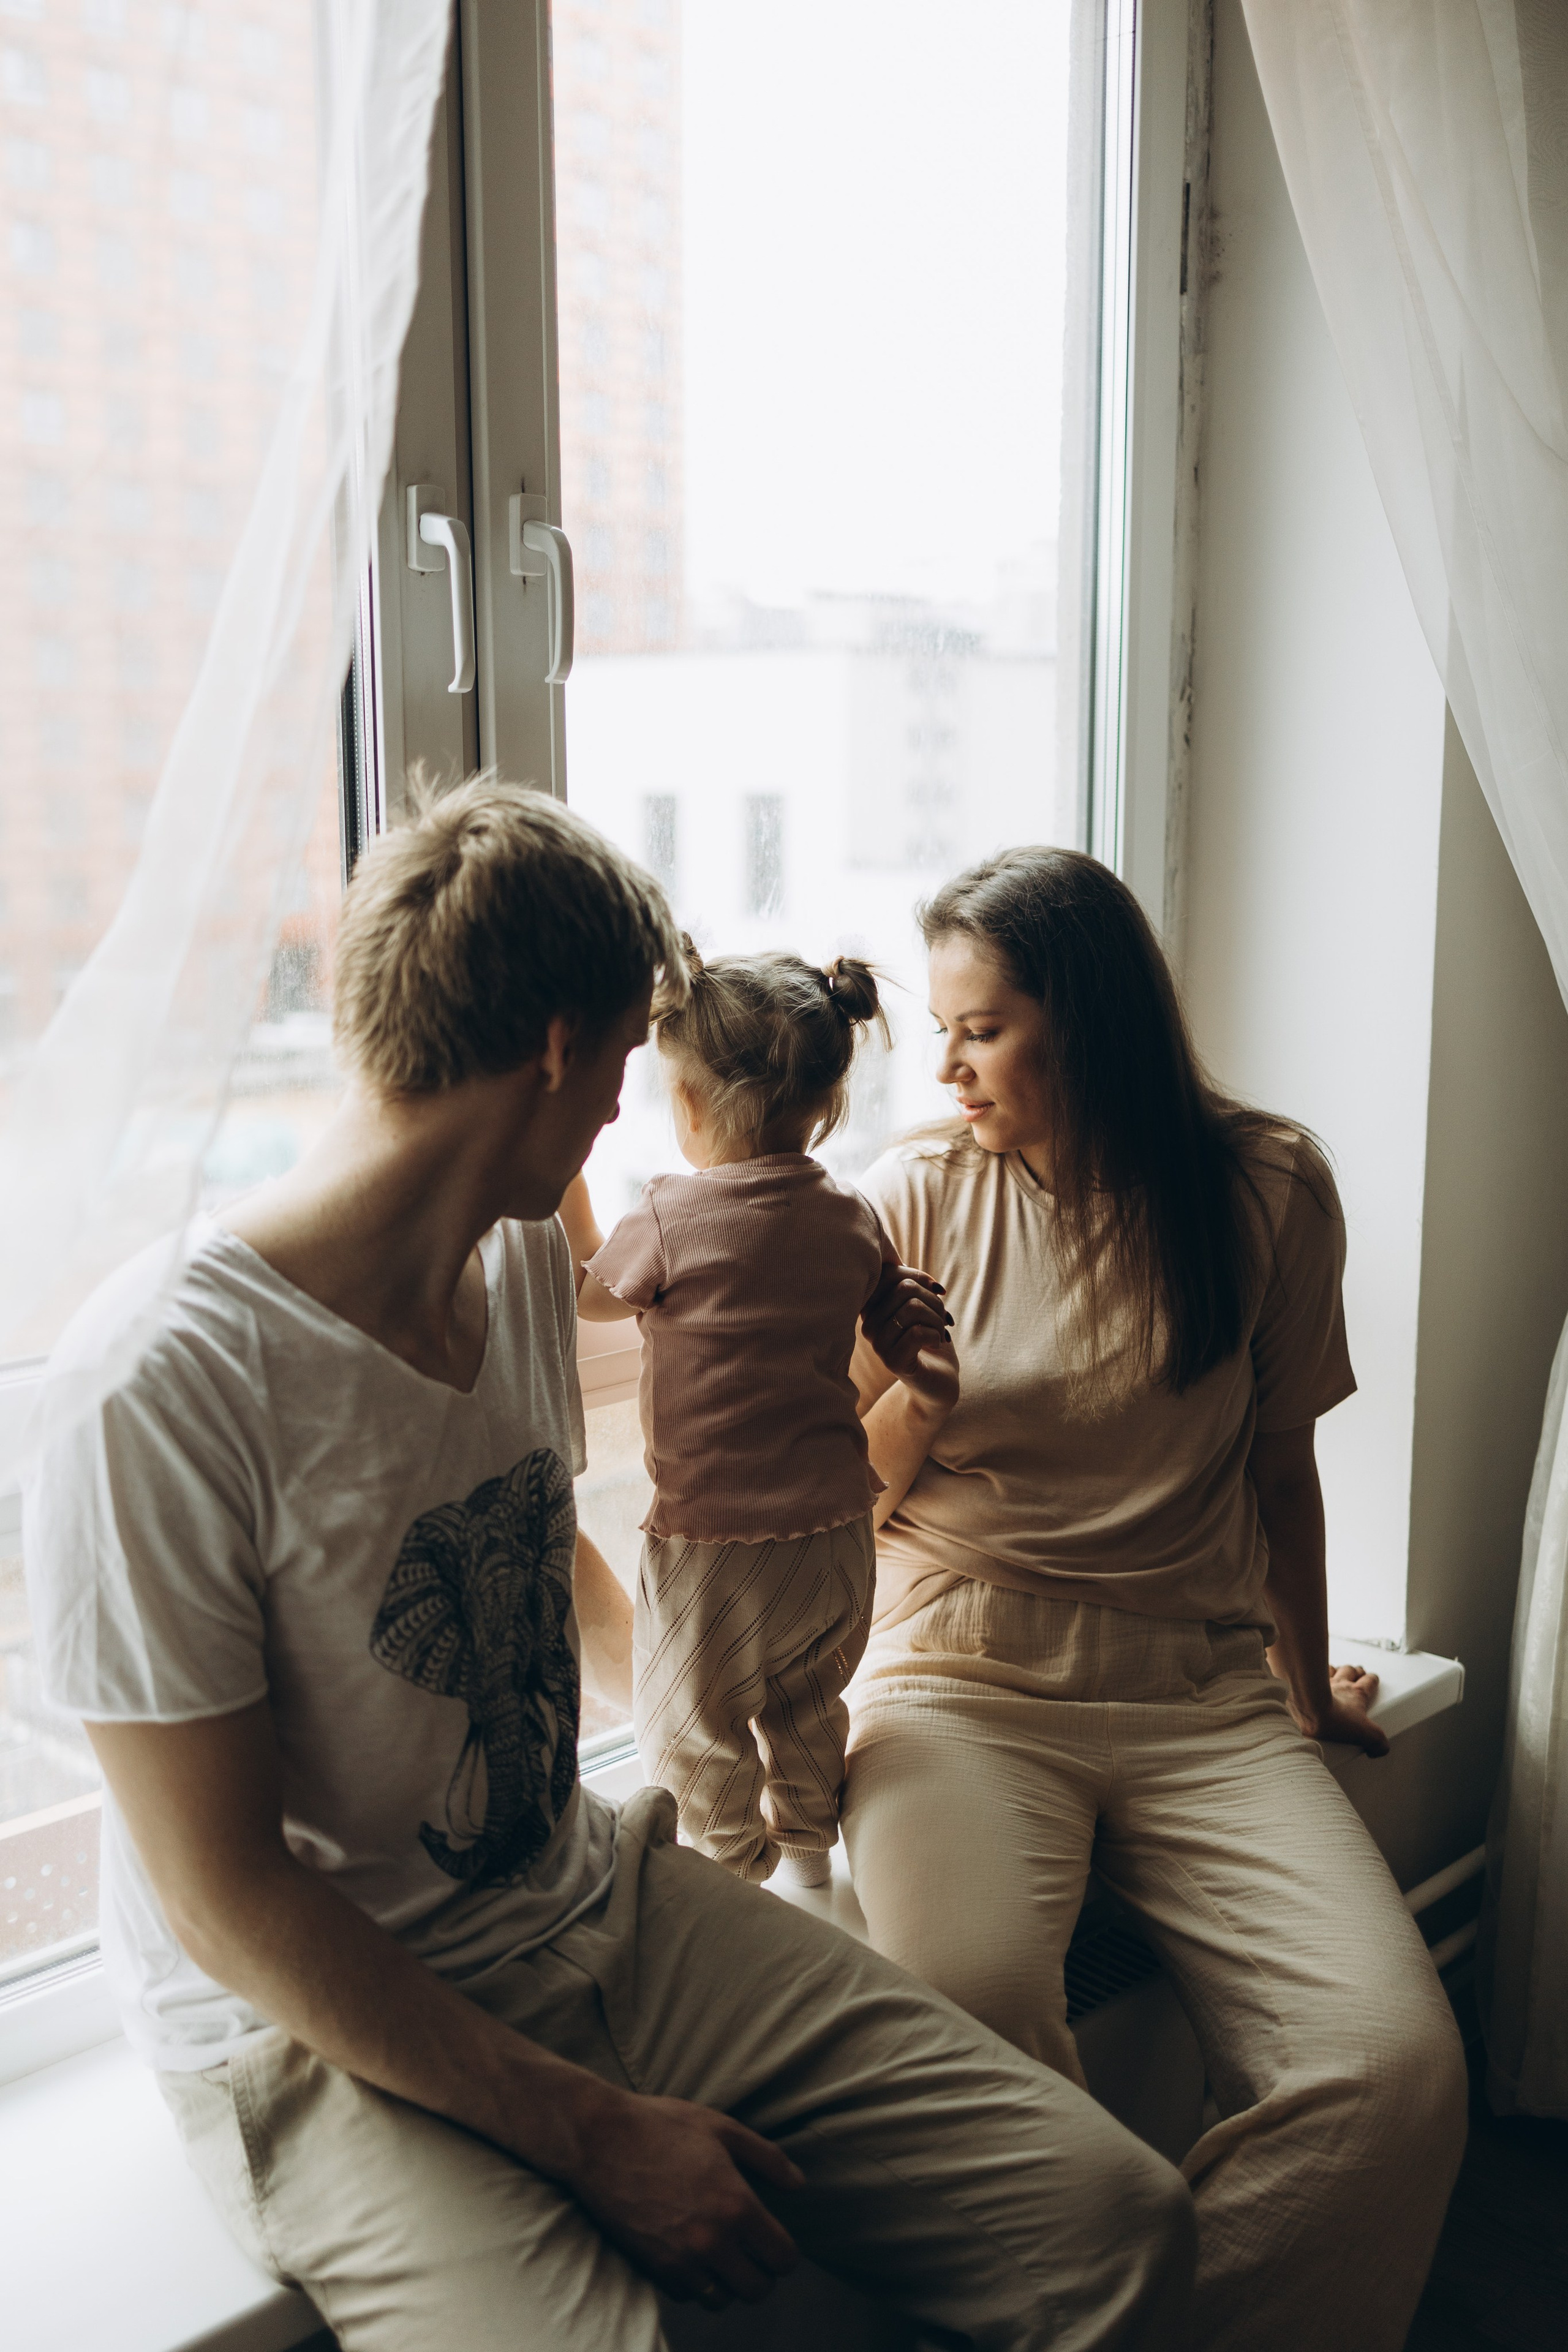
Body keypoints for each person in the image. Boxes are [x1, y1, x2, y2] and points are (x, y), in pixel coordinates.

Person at [24, 786, 1194, 2352]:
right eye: (629, 1065)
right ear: (561, 1048)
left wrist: (706, 1688)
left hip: (584, 1895)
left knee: (1113, 2224)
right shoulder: (162, 1382)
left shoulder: (510, 1261)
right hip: (311, 2028)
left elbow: (527, 1556)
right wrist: (590, 2129)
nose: (626, 1120)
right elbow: (227, 1898)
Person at [842, 845, 1469, 2352]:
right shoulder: (909, 1198)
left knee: (1394, 2073)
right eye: (941, 1027)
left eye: (978, 1026)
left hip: (1199, 1698)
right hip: (956, 1681)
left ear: (1092, 1019)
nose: (945, 1062)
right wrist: (913, 1407)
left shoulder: (1263, 1186)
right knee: (971, 2018)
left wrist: (1304, 1687)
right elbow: (833, 1510)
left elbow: (1277, 1476)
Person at [563, 940, 925, 1890]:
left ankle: (735, 1885)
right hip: (840, 1536)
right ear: (822, 1103)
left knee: (692, 1724)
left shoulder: (676, 1218)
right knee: (805, 1706)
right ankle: (810, 1862)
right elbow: (891, 1308)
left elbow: (593, 1296)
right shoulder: (850, 1216)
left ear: (687, 1105)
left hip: (719, 1545)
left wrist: (567, 1184)